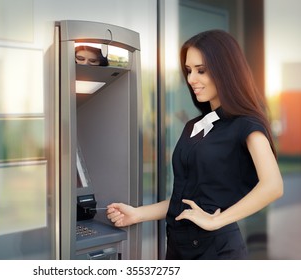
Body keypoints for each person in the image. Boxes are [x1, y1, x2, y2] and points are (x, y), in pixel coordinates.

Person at [106, 30, 283, 260]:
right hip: (178, 248)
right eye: (189, 71)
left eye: (201, 70)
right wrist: (137, 215)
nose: (191, 79)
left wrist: (216, 220)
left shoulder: (245, 125)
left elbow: (273, 185)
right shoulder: (194, 126)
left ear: (225, 70)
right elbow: (186, 199)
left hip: (218, 252)